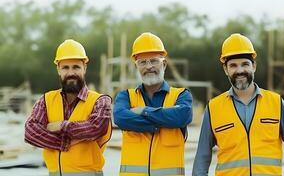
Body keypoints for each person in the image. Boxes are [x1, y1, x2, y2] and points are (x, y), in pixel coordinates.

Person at [192, 33, 284, 176]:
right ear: (226, 69)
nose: (240, 70)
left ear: (254, 66)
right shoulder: (214, 108)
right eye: (233, 65)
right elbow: (202, 156)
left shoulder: (275, 103)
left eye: (245, 64)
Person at [25, 39, 112, 176]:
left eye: (76, 67)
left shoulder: (100, 101)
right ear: (58, 69)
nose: (71, 72)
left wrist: (61, 126)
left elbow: (95, 128)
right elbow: (31, 132)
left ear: (84, 68)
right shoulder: (46, 100)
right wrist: (63, 144)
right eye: (65, 67)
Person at [113, 32, 193, 176]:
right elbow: (120, 118)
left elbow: (182, 116)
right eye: (143, 62)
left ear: (164, 64)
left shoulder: (181, 95)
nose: (149, 66)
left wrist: (144, 111)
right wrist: (160, 123)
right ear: (137, 67)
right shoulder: (126, 96)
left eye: (153, 61)